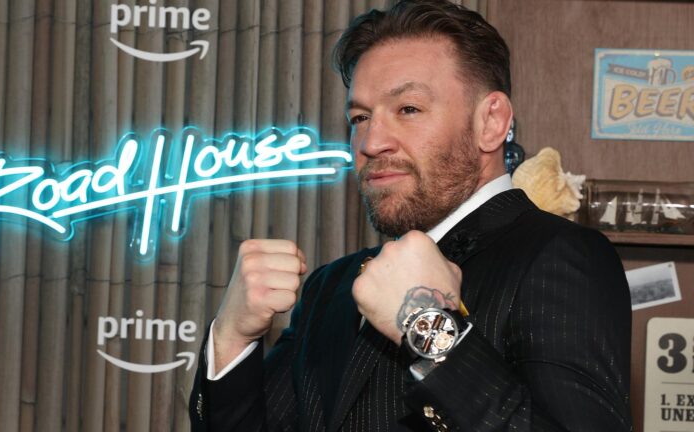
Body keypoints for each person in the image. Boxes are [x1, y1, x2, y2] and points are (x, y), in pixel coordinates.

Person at [189, 1, 632, 430]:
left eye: (408, 109)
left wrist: (426, 327)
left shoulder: (559, 256)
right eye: (360, 117)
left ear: (491, 122)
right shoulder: (330, 287)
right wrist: (232, 337)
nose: (371, 142)